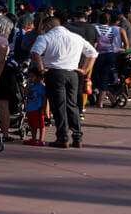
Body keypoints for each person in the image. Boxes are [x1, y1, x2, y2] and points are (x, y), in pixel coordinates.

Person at [30, 14, 97, 148]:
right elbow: (93, 53)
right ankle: (77, 136)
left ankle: (62, 137)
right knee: (72, 105)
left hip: (55, 73)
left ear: (49, 26)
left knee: (58, 105)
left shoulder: (45, 37)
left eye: (44, 27)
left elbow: (35, 52)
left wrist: (41, 69)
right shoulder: (76, 38)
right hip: (73, 74)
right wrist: (85, 69)